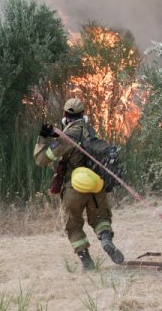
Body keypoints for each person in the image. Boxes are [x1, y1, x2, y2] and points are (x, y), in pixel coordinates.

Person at [34, 98, 125, 271]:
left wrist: (43, 137)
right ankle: (106, 239)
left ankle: (87, 262)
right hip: (96, 186)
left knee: (74, 225)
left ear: (65, 114)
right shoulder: (90, 130)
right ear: (83, 114)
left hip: (74, 188)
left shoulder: (67, 137)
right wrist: (57, 134)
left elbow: (41, 159)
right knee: (101, 219)